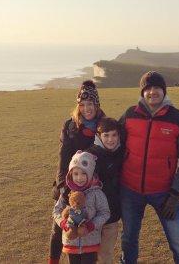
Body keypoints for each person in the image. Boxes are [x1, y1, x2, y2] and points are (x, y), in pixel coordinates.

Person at [119, 71, 179, 264]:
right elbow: (110, 141)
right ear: (142, 92)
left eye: (157, 88)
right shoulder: (129, 115)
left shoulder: (178, 119)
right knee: (128, 241)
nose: (152, 92)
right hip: (130, 191)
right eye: (148, 88)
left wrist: (175, 193)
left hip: (165, 194)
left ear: (164, 91)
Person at [49, 80, 105, 264]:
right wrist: (62, 186)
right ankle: (53, 261)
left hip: (93, 184)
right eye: (82, 105)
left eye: (90, 104)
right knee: (60, 227)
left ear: (97, 104)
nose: (86, 108)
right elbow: (63, 157)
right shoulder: (70, 126)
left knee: (89, 223)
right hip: (71, 181)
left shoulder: (103, 125)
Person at [53, 151, 110, 264]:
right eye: (76, 174)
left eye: (84, 173)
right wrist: (63, 223)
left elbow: (105, 213)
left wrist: (91, 225)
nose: (79, 178)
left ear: (90, 173)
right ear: (70, 175)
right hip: (71, 241)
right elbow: (57, 210)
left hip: (90, 241)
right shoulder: (66, 192)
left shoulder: (96, 193)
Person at [86, 117, 123, 264]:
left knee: (106, 254)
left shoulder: (122, 153)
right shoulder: (89, 156)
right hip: (92, 217)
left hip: (112, 216)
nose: (110, 139)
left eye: (114, 135)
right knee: (89, 255)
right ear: (98, 136)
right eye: (106, 135)